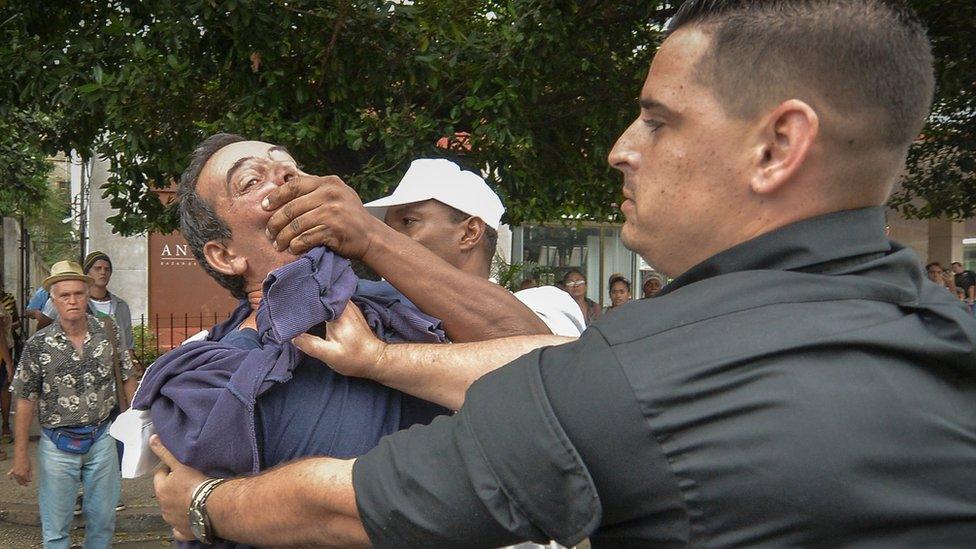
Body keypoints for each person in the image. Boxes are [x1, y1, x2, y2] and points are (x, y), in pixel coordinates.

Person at [152, 0, 976, 546]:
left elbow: (360, 502)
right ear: (220, 252)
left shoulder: (636, 376)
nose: (621, 146)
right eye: (250, 180)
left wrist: (200, 502)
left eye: (656, 119)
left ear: (778, 145)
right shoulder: (949, 337)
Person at [7, 260, 136, 549]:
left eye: (78, 293)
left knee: (103, 525)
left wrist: (132, 425)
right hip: (56, 445)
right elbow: (25, 399)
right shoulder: (38, 345)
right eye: (64, 295)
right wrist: (20, 456)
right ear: (54, 300)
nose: (72, 300)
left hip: (102, 439)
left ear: (87, 294)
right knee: (55, 530)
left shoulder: (108, 331)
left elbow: (127, 376)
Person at [0, 283, 18, 445]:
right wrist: (8, 362)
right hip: (2, 353)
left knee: (5, 389)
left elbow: (17, 322)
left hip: (7, 348)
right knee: (5, 387)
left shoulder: (8, 300)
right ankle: (5, 427)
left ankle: (5, 425)